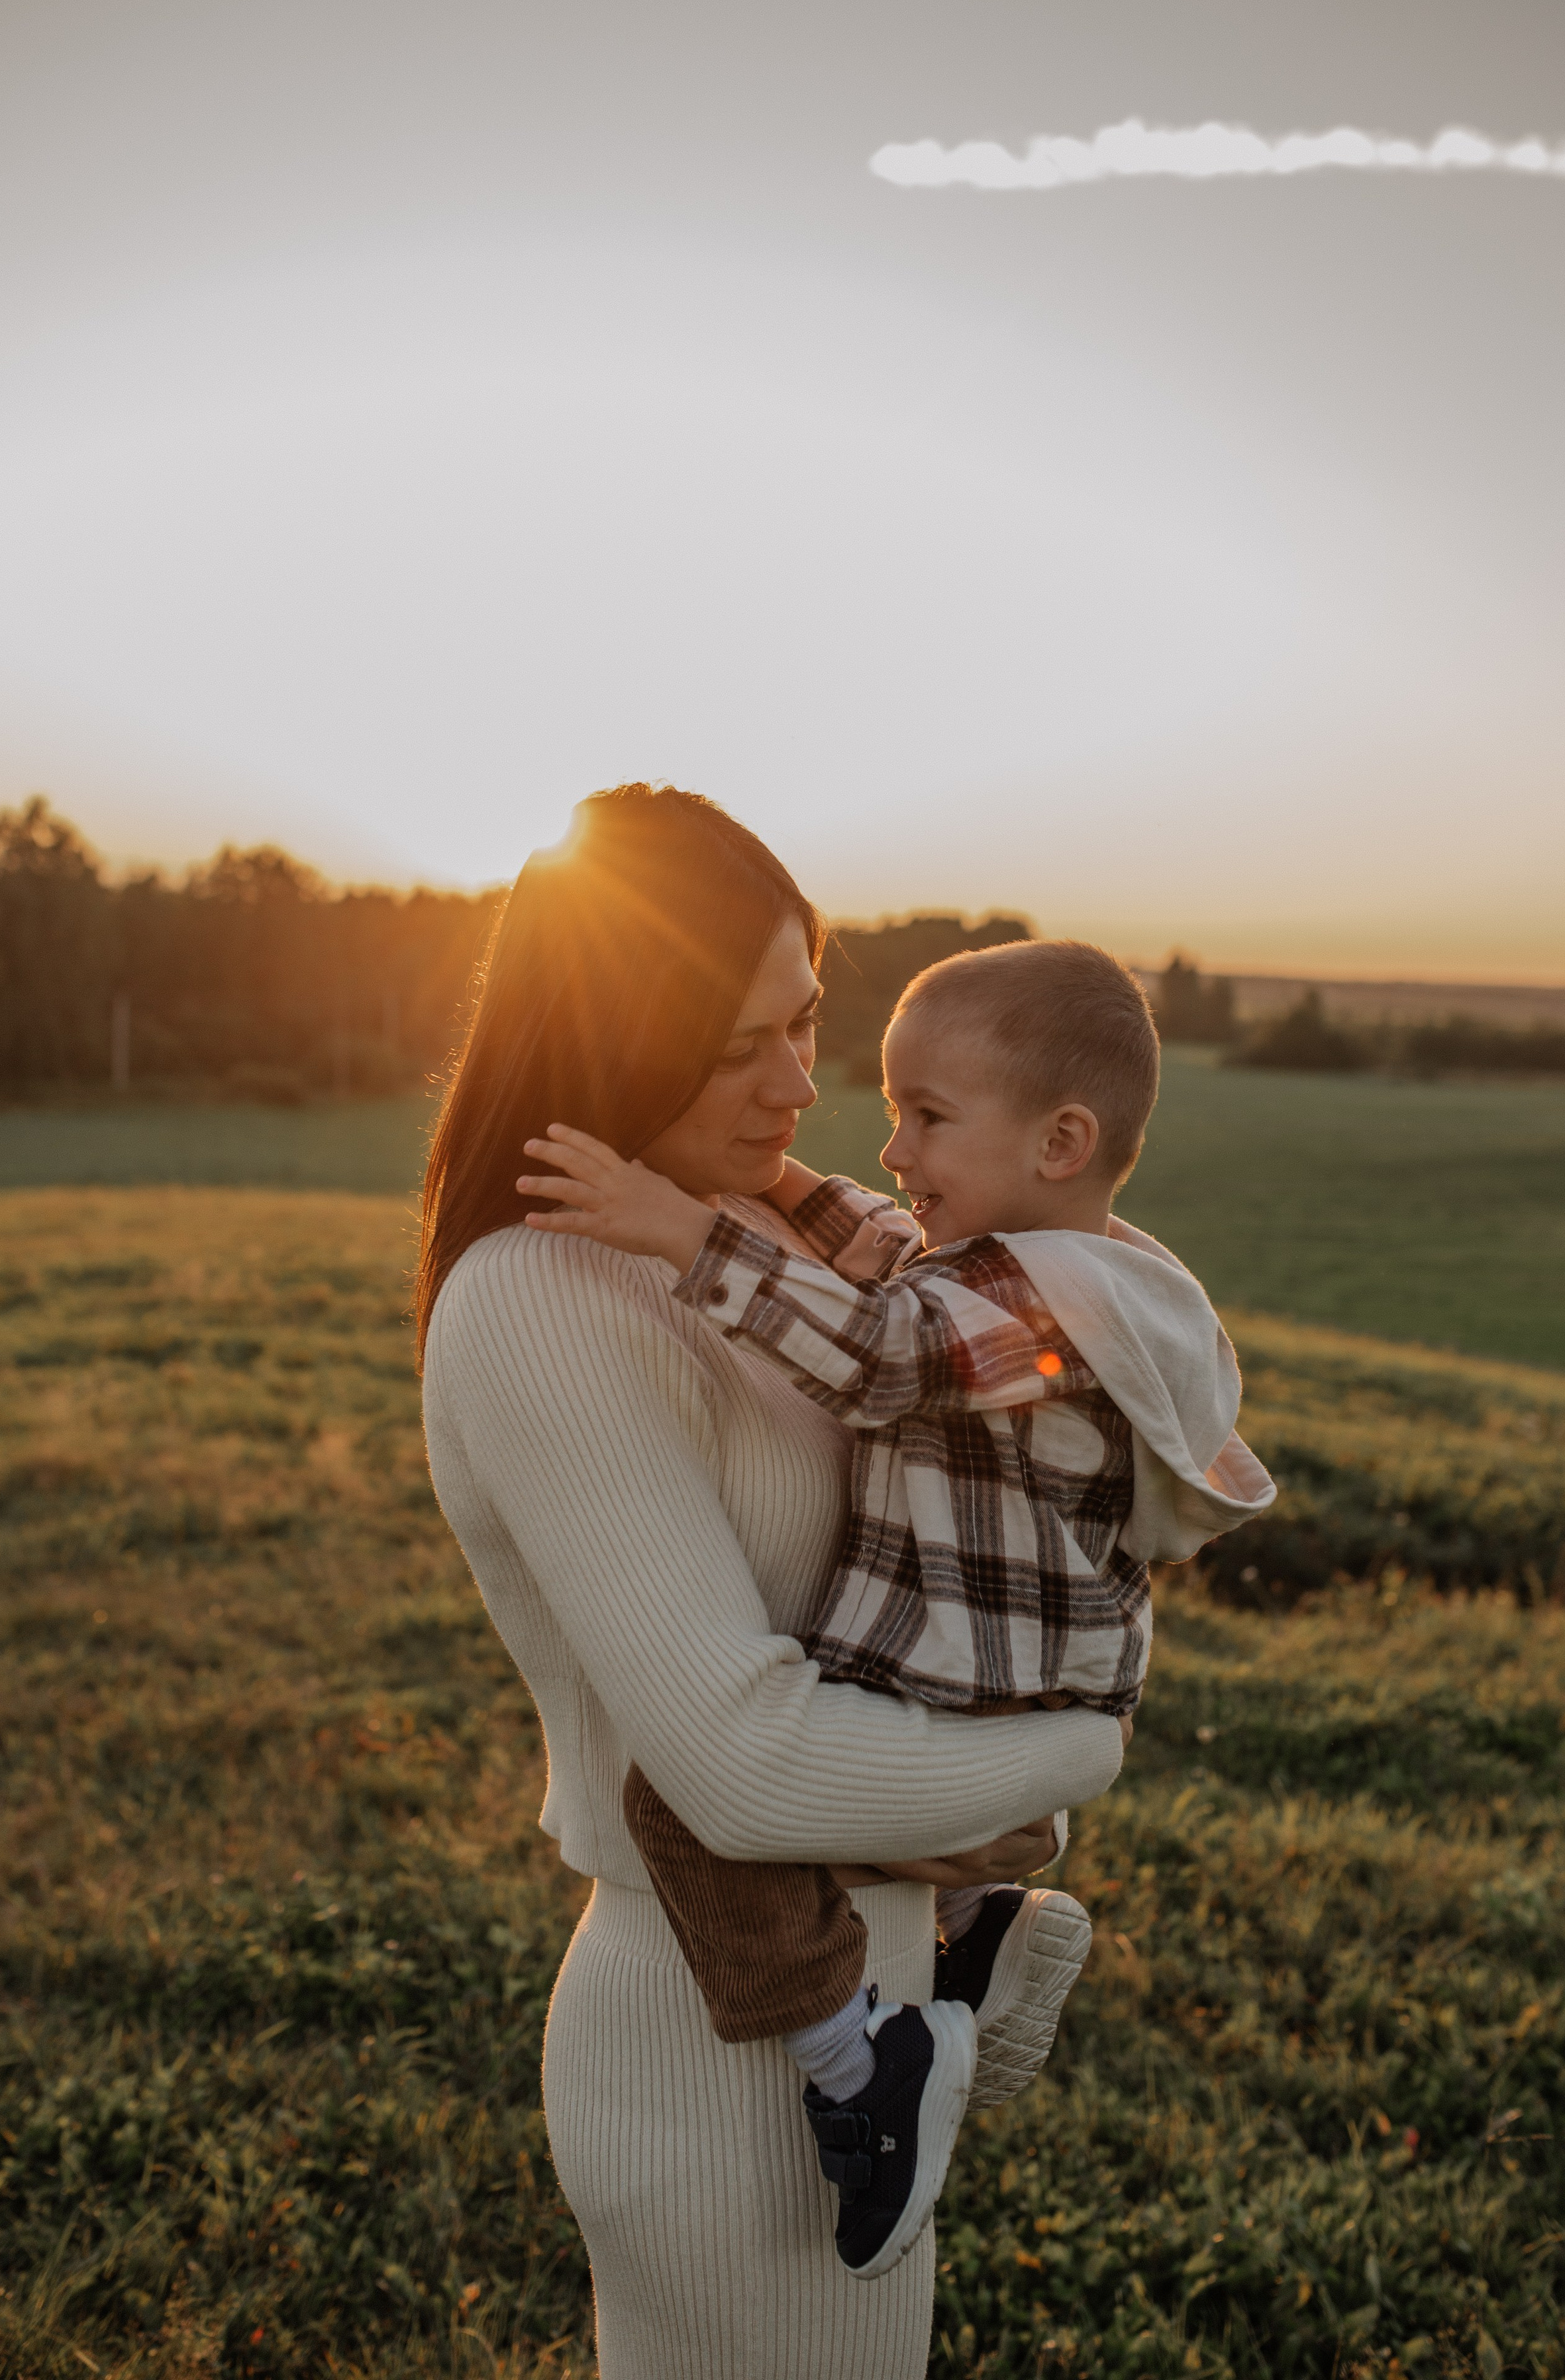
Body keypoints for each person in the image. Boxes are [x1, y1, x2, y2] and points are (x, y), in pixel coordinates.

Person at [417, 786, 1131, 2379]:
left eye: (805, 1021)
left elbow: (1037, 1353)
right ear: (610, 1035)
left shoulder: (810, 1229)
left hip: (873, 1994)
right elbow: (736, 1770)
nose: (797, 1084)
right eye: (739, 1044)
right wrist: (1065, 1760)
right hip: (717, 2061)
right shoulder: (538, 1299)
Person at [515, 938, 1278, 2276]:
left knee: (685, 1803)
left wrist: (680, 1227)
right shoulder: (1065, 1261)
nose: (891, 1142)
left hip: (965, 1673)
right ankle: (978, 1932)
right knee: (807, 1825)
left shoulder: (1033, 1305)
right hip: (1012, 1673)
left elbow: (879, 1353)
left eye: (926, 1116)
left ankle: (862, 2067)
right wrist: (767, 1181)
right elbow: (876, 1245)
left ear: (1057, 1139)